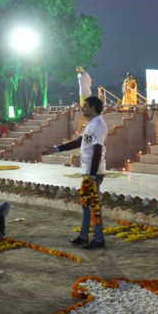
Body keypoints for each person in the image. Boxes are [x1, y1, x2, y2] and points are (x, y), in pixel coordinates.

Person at [48, 96, 107, 249]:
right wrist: (57, 149)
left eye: (86, 106)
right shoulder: (92, 124)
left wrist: (92, 176)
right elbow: (80, 141)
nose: (83, 109)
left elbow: (98, 150)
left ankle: (98, 239)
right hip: (88, 171)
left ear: (93, 107)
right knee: (87, 205)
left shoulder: (99, 124)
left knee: (92, 205)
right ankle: (84, 236)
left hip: (93, 172)